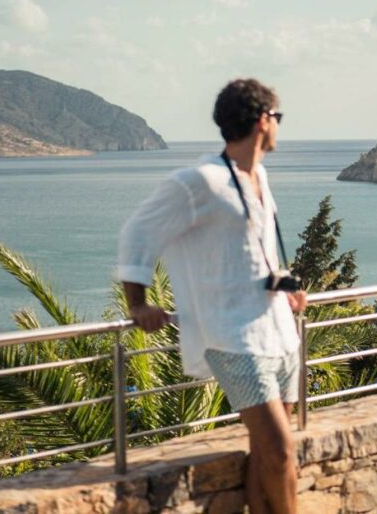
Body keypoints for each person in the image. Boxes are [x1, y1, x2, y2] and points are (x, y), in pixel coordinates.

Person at [117, 78, 307, 514]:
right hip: (231, 336)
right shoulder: (199, 181)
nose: (279, 127)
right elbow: (138, 232)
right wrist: (137, 302)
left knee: (266, 454)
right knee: (280, 451)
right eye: (278, 118)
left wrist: (287, 287)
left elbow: (251, 249)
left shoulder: (258, 174)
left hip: (278, 330)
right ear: (263, 120)